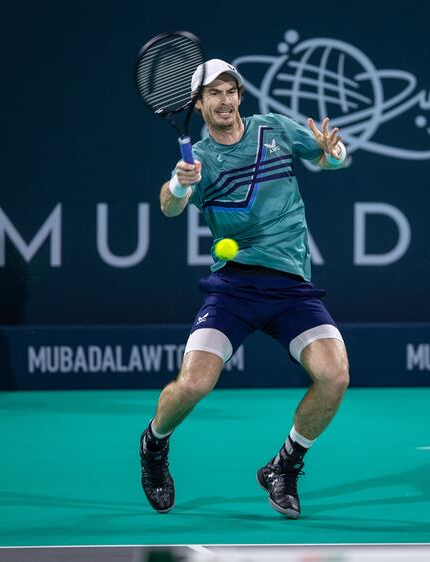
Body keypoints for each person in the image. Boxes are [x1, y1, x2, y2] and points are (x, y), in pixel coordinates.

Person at [139, 60, 349, 519]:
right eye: (213, 93)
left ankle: (285, 466)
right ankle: (154, 444)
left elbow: (325, 156)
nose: (225, 100)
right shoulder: (198, 159)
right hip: (234, 287)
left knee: (334, 376)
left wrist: (334, 154)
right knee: (194, 383)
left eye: (231, 91)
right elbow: (169, 206)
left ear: (240, 96)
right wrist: (178, 182)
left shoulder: (272, 129)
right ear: (198, 104)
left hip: (291, 286)